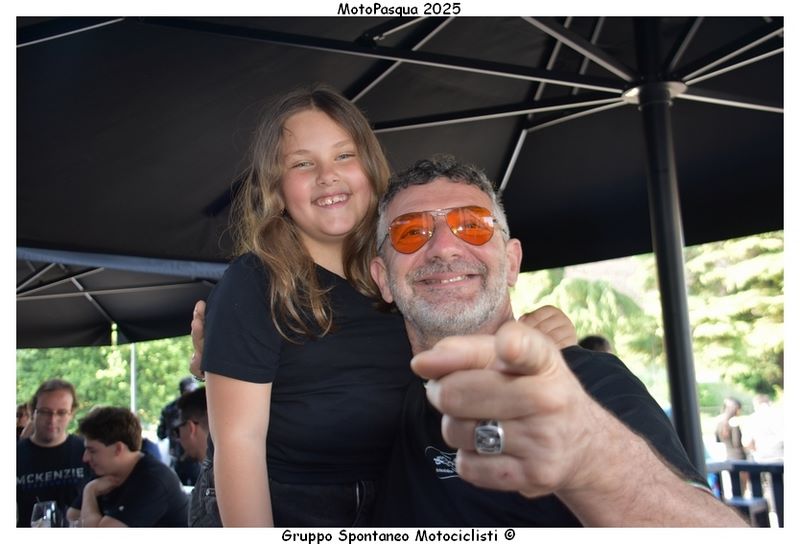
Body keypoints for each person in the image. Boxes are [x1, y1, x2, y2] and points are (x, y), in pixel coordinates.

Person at [366, 155, 746, 526]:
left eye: (472, 226)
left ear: (511, 263)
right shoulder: (376, 390)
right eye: (410, 232)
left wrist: (593, 457)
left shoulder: (585, 382)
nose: (444, 247)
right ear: (383, 279)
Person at [198, 84, 416, 527]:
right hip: (288, 504)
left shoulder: (405, 269)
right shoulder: (254, 283)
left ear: (371, 168)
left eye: (344, 155)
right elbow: (238, 444)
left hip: (398, 499)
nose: (327, 175)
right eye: (302, 163)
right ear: (276, 187)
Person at [66, 406, 188, 527]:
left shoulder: (152, 479)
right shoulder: (107, 471)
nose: (85, 458)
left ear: (118, 449)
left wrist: (90, 492)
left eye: (92, 451)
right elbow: (72, 516)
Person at [16, 379, 92, 527]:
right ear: (32, 411)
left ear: (71, 413)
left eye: (61, 413)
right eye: (45, 412)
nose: (52, 419)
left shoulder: (87, 452)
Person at [175, 386, 221, 526]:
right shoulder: (216, 473)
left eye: (177, 430)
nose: (178, 438)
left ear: (190, 428)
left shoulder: (215, 479)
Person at [157, 376, 200, 485]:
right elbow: (161, 433)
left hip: (180, 458)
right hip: (191, 457)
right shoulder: (199, 409)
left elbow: (161, 433)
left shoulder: (169, 409)